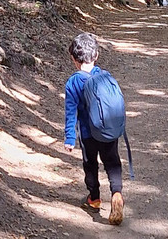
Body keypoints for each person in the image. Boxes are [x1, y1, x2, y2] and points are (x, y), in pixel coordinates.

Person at [63, 33, 125, 225]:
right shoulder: (104, 76)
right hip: (108, 131)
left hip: (88, 134)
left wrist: (69, 138)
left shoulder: (73, 82)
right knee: (112, 162)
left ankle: (95, 199)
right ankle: (116, 194)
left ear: (74, 59)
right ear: (96, 56)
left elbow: (70, 113)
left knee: (90, 165)